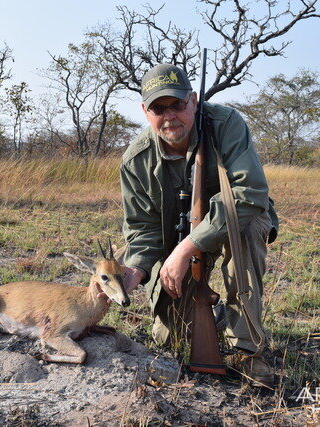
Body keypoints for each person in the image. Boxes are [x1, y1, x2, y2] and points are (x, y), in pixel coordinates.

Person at [120, 64, 279, 387]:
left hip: (237, 221)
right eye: (158, 108)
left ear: (193, 100)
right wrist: (135, 270)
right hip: (178, 239)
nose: (170, 116)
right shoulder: (136, 160)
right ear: (144, 111)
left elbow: (250, 193)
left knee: (247, 230)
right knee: (170, 339)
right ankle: (215, 318)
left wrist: (189, 247)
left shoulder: (225, 123)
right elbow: (142, 226)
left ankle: (247, 349)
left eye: (178, 105)